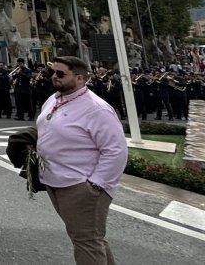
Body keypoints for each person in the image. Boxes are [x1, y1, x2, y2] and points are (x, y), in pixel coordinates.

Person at [37, 56, 127, 265]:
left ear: (79, 78)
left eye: (61, 74)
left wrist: (95, 185)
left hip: (80, 186)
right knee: (88, 238)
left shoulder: (97, 109)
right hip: (54, 181)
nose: (54, 77)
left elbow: (116, 151)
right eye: (54, 72)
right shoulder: (55, 99)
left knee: (86, 241)